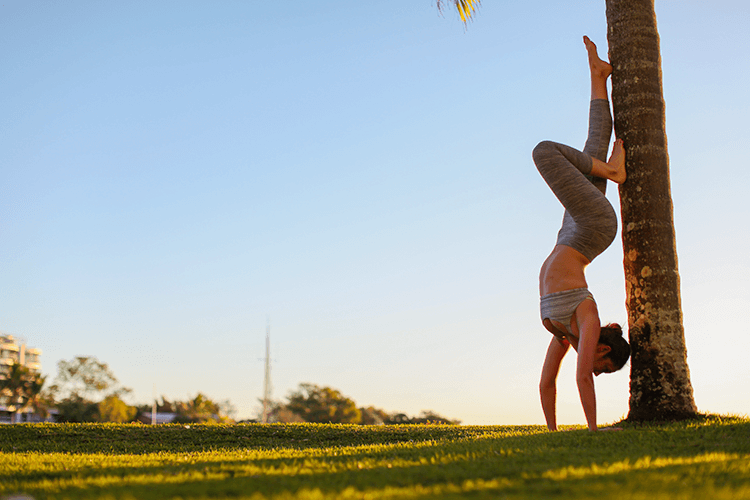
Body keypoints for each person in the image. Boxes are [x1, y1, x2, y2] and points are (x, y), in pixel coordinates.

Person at [532, 36, 631, 432]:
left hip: (570, 231)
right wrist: (594, 431)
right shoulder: (587, 315)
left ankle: (598, 78)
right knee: (544, 151)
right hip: (593, 228)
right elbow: (582, 377)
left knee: (592, 148)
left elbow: (546, 383)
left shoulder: (562, 332)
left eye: (601, 371)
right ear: (602, 349)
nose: (596, 368)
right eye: (605, 366)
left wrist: (554, 433)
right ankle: (612, 172)